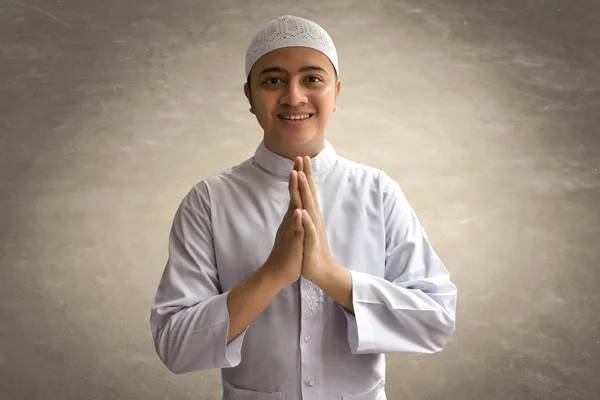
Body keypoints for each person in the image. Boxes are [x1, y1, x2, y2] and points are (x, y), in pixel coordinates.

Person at [150, 15, 457, 400]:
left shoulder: (377, 192)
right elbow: (175, 346)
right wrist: (273, 274)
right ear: (249, 96)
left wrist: (330, 275)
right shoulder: (209, 201)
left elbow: (435, 321)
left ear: (336, 91)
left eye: (312, 78)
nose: (293, 97)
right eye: (273, 80)